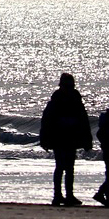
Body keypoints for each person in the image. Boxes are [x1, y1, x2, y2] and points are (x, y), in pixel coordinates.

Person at [40, 73, 92, 207]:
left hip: (71, 136)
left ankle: (69, 195)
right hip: (59, 137)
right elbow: (46, 120)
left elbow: (83, 119)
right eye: (67, 85)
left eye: (71, 85)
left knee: (69, 167)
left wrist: (87, 138)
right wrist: (44, 138)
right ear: (61, 85)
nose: (69, 88)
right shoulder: (56, 100)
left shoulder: (75, 98)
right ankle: (57, 195)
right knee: (60, 166)